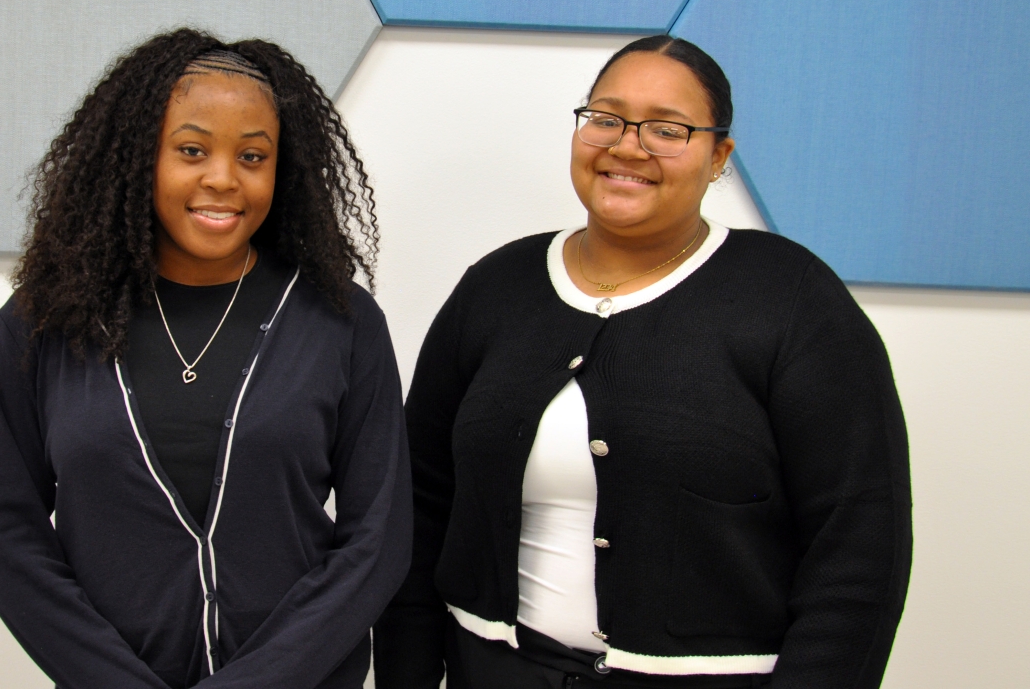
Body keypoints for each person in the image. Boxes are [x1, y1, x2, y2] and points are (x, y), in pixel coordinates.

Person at [374, 35, 912, 689]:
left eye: (668, 129)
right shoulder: (496, 287)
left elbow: (857, 553)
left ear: (719, 157)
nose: (628, 146)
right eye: (606, 118)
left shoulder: (794, 301)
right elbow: (419, 501)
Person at [0, 28, 411, 689]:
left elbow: (377, 541)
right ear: (138, 157)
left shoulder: (339, 320)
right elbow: (6, 538)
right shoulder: (44, 324)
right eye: (192, 150)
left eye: (253, 157)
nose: (224, 179)